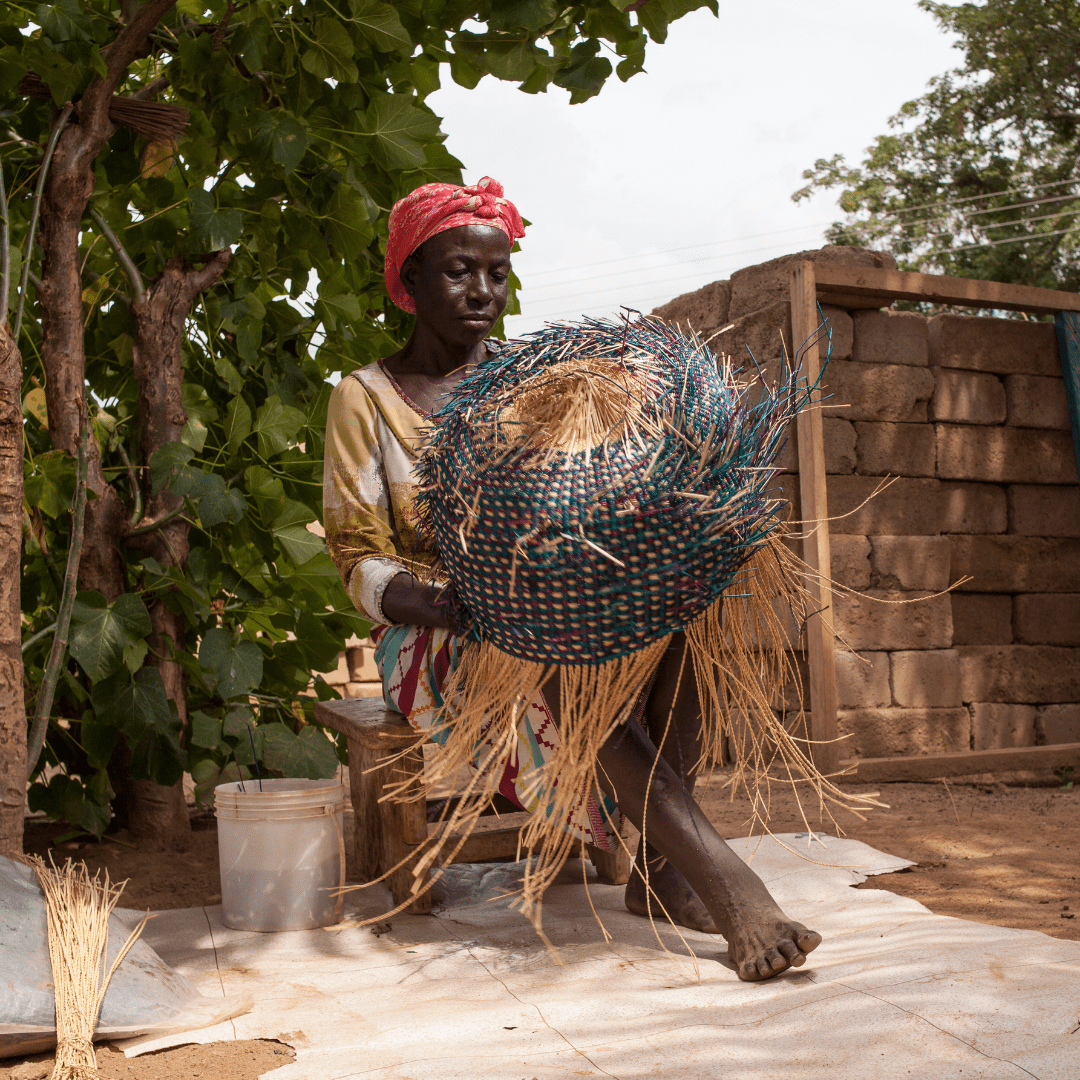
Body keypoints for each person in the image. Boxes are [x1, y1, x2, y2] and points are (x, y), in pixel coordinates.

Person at [323, 177, 821, 981]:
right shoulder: (365, 400)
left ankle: (662, 878)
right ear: (408, 283)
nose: (483, 291)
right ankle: (733, 892)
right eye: (458, 271)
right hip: (439, 628)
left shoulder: (533, 382)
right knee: (548, 643)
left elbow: (588, 500)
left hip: (562, 604)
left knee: (693, 606)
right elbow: (357, 558)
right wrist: (465, 603)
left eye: (496, 271)